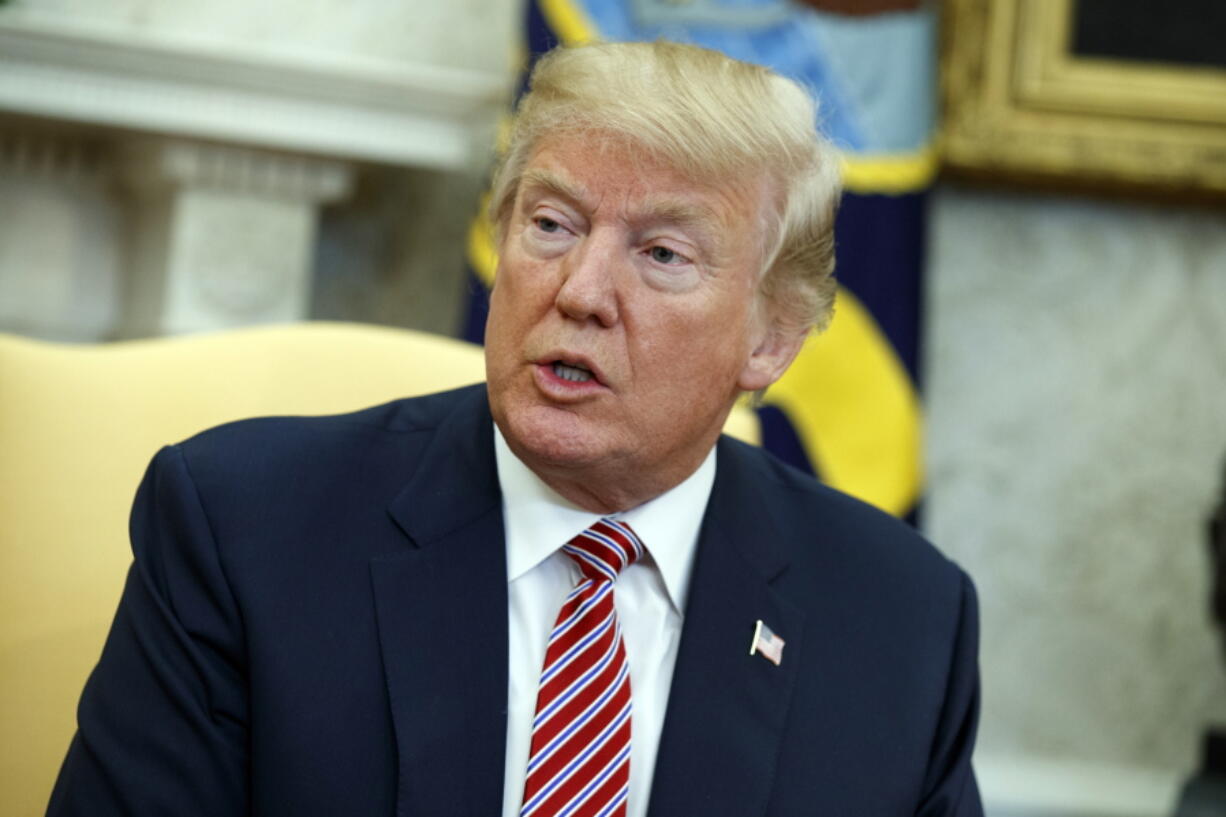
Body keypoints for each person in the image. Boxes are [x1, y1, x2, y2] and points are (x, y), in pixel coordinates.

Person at [48, 40, 982, 817]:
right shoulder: (243, 530)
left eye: (661, 253)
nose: (578, 291)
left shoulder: (900, 622)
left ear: (771, 339)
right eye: (550, 224)